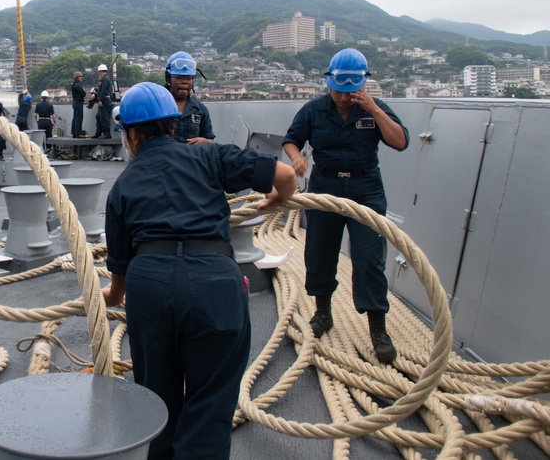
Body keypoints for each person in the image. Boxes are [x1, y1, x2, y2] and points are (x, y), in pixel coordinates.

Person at [102, 82, 296, 460]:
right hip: (215, 285)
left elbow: (118, 281)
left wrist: (101, 299)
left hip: (151, 287)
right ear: (174, 127)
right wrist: (276, 200)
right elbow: (286, 176)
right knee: (210, 407)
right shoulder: (208, 157)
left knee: (156, 404)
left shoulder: (122, 187)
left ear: (131, 134)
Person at [282, 48, 408, 364]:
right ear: (329, 82)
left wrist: (374, 110)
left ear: (362, 85)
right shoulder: (313, 109)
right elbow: (292, 138)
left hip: (365, 188)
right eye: (339, 90)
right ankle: (323, 312)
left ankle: (377, 328)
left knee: (369, 258)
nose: (344, 97)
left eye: (351, 91)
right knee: (320, 253)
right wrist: (297, 157)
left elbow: (400, 141)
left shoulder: (374, 108)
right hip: (325, 184)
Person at [164, 52, 215, 144]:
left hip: (193, 158)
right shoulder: (158, 108)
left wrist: (206, 142)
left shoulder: (200, 110)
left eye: (188, 78)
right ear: (168, 79)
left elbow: (211, 140)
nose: (185, 82)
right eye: (179, 78)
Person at [93, 63, 113, 139]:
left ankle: (106, 133)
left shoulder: (105, 79)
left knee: (104, 117)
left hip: (104, 100)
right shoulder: (106, 78)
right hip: (106, 99)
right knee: (99, 116)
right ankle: (98, 132)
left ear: (100, 71)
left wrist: (100, 100)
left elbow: (103, 90)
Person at [70, 71, 86, 137]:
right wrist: (84, 90)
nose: (81, 78)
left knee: (75, 117)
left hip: (75, 102)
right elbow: (84, 94)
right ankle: (78, 133)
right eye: (80, 77)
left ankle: (74, 132)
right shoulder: (78, 85)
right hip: (78, 102)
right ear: (77, 77)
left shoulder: (73, 84)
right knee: (79, 118)